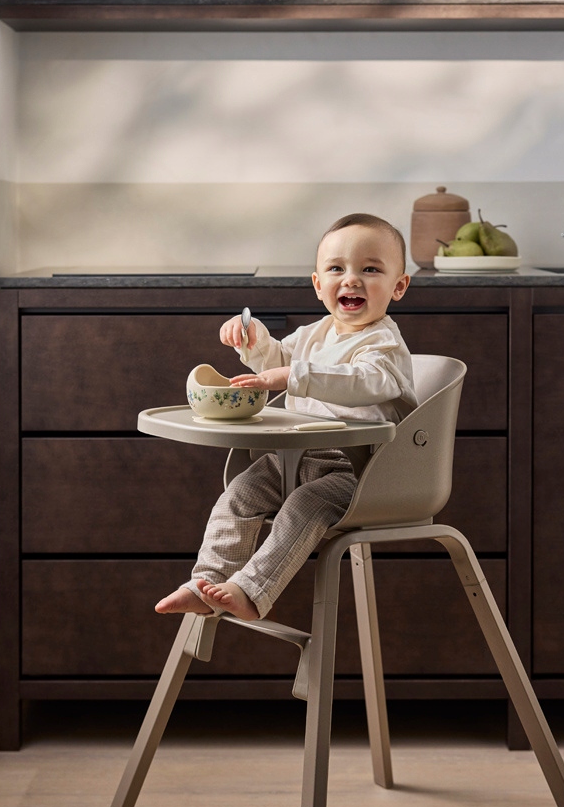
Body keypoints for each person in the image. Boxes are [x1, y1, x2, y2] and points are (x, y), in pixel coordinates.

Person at [155, 212, 418, 622]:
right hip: (294, 459)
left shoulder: (384, 345)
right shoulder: (315, 334)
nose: (351, 280)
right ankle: (206, 582)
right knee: (239, 494)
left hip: (358, 471)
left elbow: (367, 382)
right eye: (336, 269)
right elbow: (276, 360)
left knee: (305, 505)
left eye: (370, 269)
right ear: (318, 284)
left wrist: (293, 375)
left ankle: (251, 590)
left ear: (398, 286)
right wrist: (254, 340)